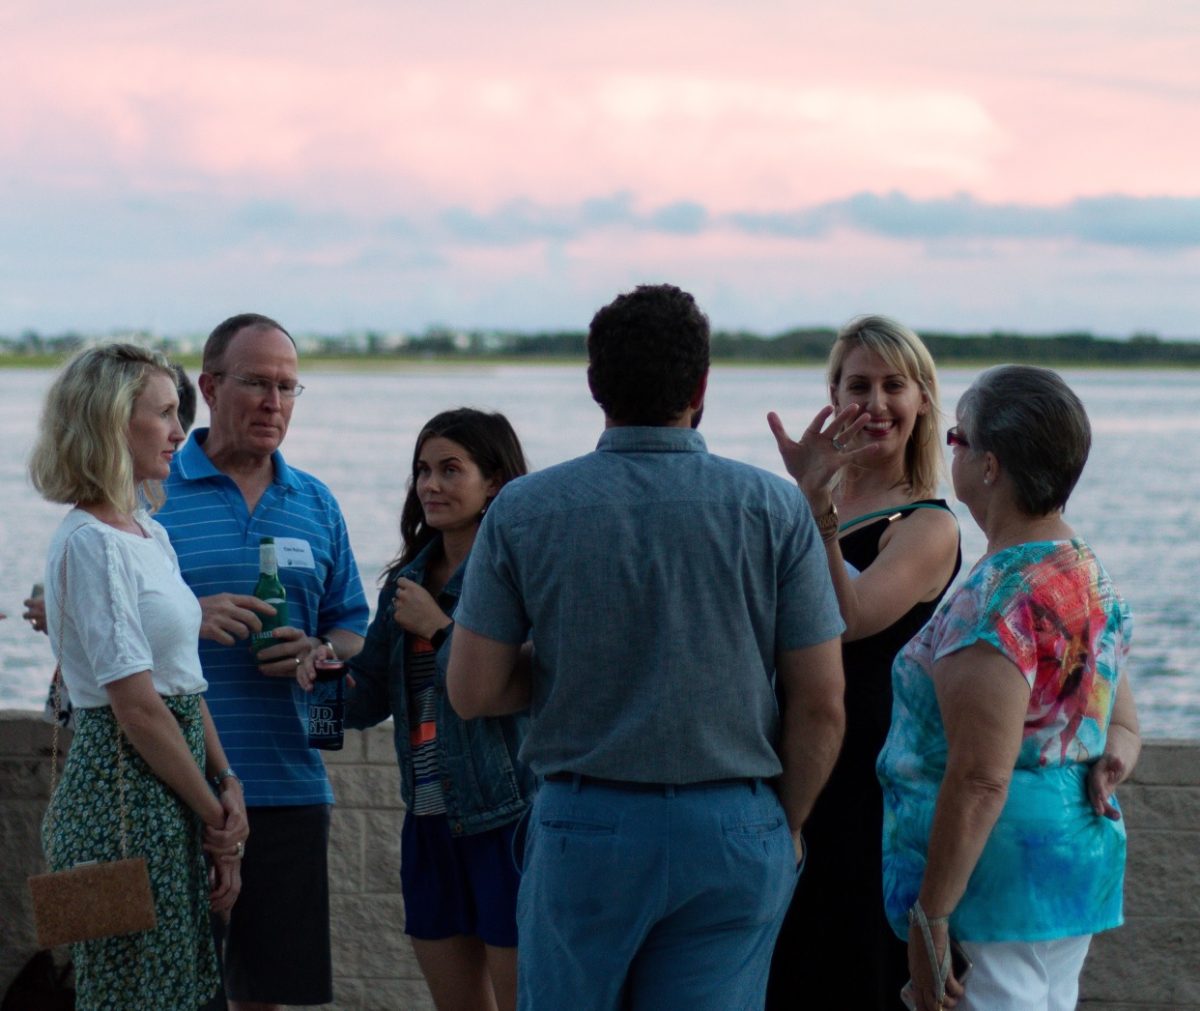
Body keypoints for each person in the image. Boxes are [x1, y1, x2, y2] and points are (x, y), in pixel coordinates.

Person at [447, 283, 847, 1010]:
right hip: (733, 823)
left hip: (586, 827)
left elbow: (472, 690)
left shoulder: (525, 509)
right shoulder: (775, 507)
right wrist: (781, 824)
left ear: (596, 386)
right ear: (701, 386)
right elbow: (822, 703)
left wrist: (566, 669)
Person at [877, 365, 1140, 1011]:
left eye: (958, 437)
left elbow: (980, 779)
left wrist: (930, 919)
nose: (950, 448)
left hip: (996, 873)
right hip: (1070, 856)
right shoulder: (1085, 572)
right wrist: (1114, 759)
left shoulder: (997, 599)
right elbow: (1121, 723)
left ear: (991, 467)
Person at [155, 313, 369, 1011]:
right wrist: (192, 615)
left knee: (268, 998)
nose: (274, 403)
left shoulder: (315, 502)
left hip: (288, 783)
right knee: (174, 994)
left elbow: (351, 629)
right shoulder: (151, 495)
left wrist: (319, 651)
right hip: (177, 785)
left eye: (288, 386)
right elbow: (106, 631)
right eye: (257, 383)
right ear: (210, 386)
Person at [28, 342, 249, 1009]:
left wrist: (227, 779)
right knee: (132, 995)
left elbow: (181, 682)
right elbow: (137, 706)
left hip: (174, 790)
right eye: (164, 413)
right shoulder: (89, 540)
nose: (182, 430)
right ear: (111, 423)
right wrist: (217, 817)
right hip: (120, 802)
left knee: (184, 989)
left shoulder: (148, 533)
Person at [765, 315, 961, 1009]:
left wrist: (814, 505)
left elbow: (843, 617)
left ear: (922, 402)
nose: (876, 404)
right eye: (859, 385)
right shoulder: (803, 505)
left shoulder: (929, 523)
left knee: (851, 968)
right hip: (789, 756)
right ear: (833, 397)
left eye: (893, 385)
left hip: (870, 776)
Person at [337, 408, 535, 1011]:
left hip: (507, 819)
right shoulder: (405, 582)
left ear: (495, 482)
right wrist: (314, 670)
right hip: (427, 821)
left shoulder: (519, 573)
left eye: (451, 469)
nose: (430, 485)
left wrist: (442, 628)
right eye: (423, 470)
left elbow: (533, 683)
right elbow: (365, 699)